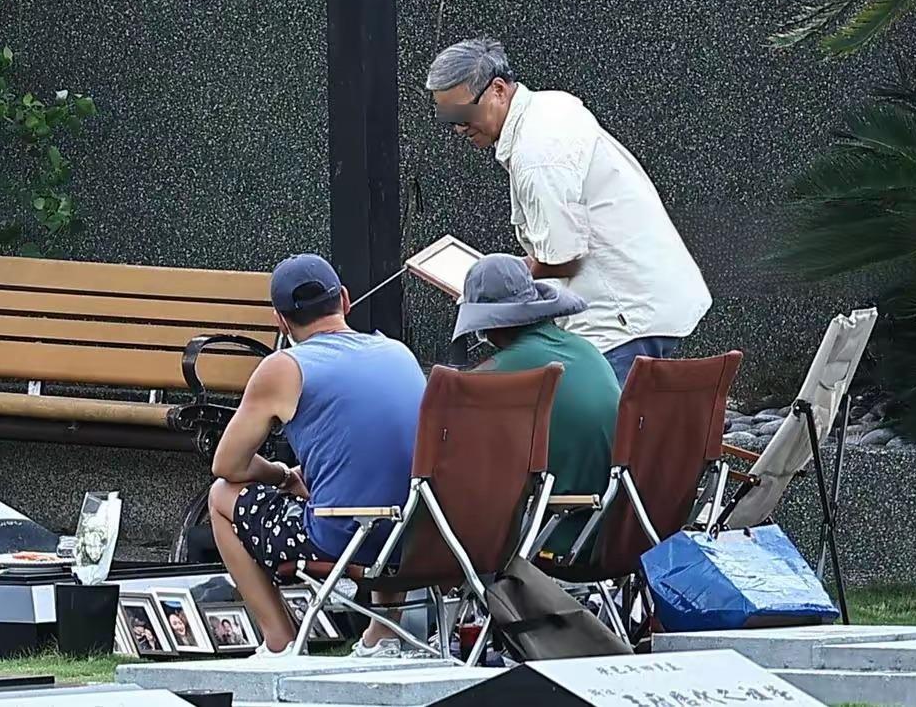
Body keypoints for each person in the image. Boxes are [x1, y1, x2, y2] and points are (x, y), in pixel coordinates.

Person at [426, 37, 713, 386]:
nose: (458, 128)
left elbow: (563, 258)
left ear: (498, 90)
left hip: (621, 317)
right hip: (650, 298)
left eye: (463, 114)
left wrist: (499, 282)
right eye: (448, 118)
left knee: (593, 417)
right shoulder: (549, 107)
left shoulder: (537, 155)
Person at [208, 253, 426, 658]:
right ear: (344, 299)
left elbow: (227, 464)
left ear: (280, 321)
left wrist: (281, 475)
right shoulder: (398, 352)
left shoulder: (284, 368)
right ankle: (382, 634)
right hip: (417, 536)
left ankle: (280, 642)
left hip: (341, 537)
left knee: (221, 495)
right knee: (381, 486)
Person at [454, 254, 621, 559]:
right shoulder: (586, 349)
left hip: (556, 536)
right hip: (615, 531)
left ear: (486, 325)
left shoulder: (495, 376)